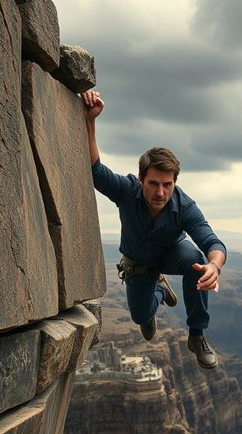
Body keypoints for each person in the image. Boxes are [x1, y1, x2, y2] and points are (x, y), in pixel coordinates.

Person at [81, 90, 226, 370]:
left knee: (196, 261)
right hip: (138, 262)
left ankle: (197, 335)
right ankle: (158, 291)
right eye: (153, 183)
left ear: (174, 182)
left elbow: (212, 241)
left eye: (167, 184)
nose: (161, 192)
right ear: (141, 180)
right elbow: (96, 170)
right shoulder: (126, 191)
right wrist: (90, 121)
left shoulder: (185, 207)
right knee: (140, 317)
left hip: (173, 254)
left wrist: (214, 267)